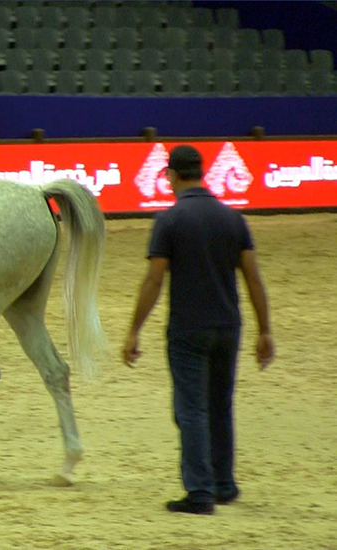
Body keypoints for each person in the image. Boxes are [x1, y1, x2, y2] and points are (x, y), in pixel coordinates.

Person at [122, 145, 274, 515]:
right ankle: (223, 483)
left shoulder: (169, 220)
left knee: (190, 409)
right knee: (220, 406)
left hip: (188, 329)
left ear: (172, 174)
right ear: (202, 172)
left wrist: (133, 330)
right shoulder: (233, 218)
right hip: (228, 325)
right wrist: (264, 330)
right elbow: (253, 278)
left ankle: (200, 491)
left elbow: (154, 281)